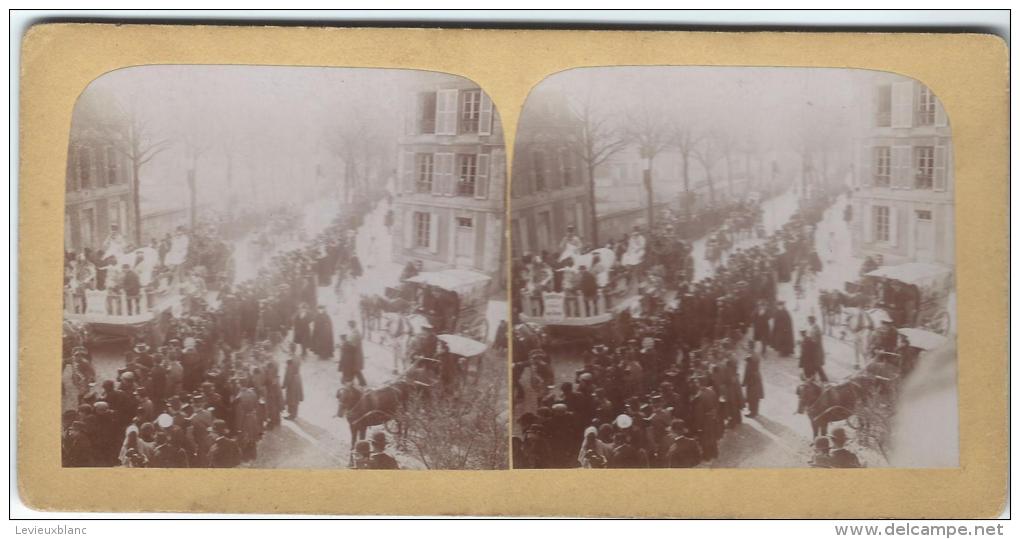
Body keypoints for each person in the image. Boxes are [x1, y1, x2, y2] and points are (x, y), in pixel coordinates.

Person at [742, 351, 764, 418]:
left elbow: (746, 374)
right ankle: (755, 411)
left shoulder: (749, 365)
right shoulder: (756, 362)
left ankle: (753, 412)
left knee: (752, 398)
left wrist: (743, 383)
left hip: (751, 383)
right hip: (757, 381)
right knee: (756, 398)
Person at [347, 320, 367, 386]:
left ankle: (362, 382)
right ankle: (354, 381)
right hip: (356, 354)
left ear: (351, 326)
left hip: (356, 355)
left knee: (356, 369)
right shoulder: (355, 332)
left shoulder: (355, 333)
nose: (348, 327)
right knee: (355, 369)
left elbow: (352, 344)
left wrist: (346, 344)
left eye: (349, 326)